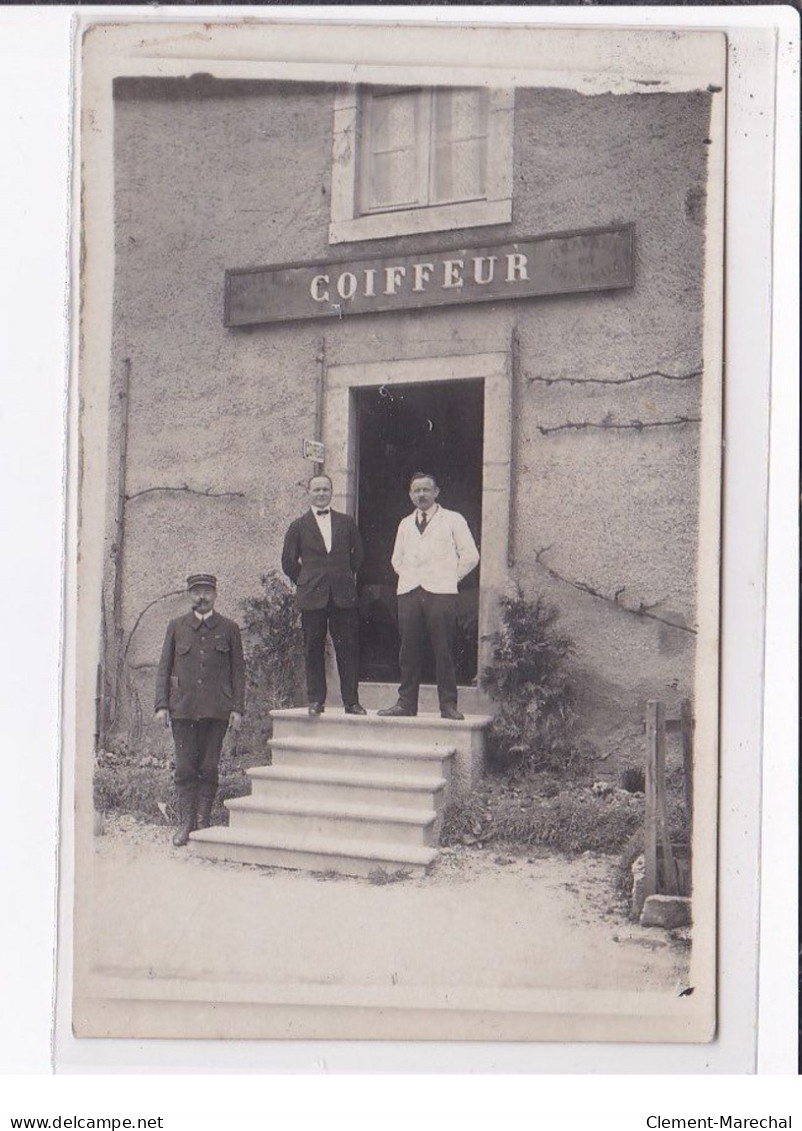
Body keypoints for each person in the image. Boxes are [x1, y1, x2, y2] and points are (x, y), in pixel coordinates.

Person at [379, 472, 480, 721]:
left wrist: (448, 577)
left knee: (443, 649)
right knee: (408, 650)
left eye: (426, 490)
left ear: (436, 492)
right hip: (410, 593)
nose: (421, 495)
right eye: (416, 491)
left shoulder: (453, 520)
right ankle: (406, 704)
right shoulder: (405, 523)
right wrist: (411, 578)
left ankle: (447, 705)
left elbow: (471, 556)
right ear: (411, 495)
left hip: (441, 593)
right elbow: (396, 559)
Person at [155, 574, 245, 847]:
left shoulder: (229, 629)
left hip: (216, 710)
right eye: (196, 592)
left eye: (207, 591)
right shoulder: (177, 627)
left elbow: (238, 672)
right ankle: (185, 823)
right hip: (183, 709)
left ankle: (203, 821)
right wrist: (162, 705)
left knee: (208, 767)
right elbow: (164, 668)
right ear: (189, 596)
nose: (202, 597)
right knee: (184, 768)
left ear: (215, 594)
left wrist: (237, 708)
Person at [281, 473, 366, 716]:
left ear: (331, 492)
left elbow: (358, 555)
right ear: (309, 493)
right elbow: (288, 561)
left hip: (342, 595)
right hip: (312, 596)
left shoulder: (346, 522)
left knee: (347, 648)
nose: (321, 494)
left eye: (325, 489)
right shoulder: (298, 526)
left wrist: (343, 576)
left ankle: (351, 702)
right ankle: (316, 700)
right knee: (313, 648)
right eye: (316, 490)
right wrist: (305, 580)